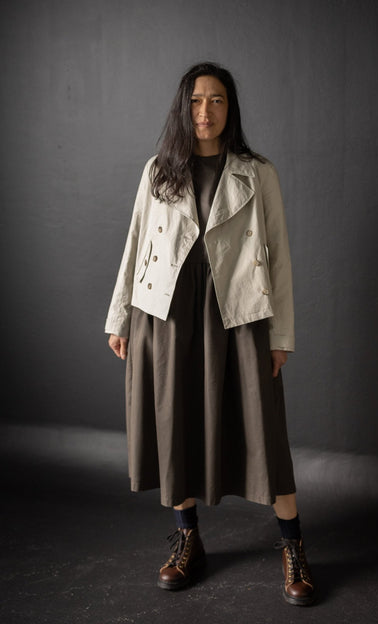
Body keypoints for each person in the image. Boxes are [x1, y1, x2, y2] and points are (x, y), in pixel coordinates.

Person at [105, 62, 315, 606]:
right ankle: (188, 539)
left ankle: (293, 546)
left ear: (230, 108)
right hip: (167, 313)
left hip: (238, 311)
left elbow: (278, 255)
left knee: (264, 429)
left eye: (217, 100)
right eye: (196, 101)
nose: (205, 112)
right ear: (184, 107)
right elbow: (135, 242)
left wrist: (281, 336)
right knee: (175, 421)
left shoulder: (257, 172)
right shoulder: (158, 170)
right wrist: (119, 318)